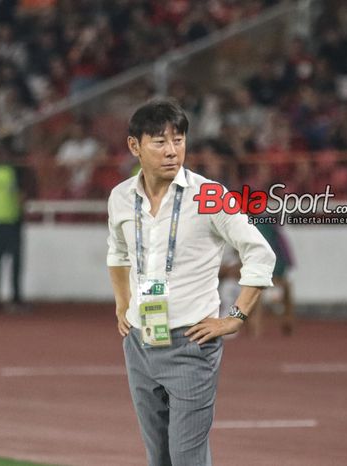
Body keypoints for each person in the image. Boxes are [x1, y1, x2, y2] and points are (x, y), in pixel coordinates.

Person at [107, 99, 276, 466]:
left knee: (187, 457)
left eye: (178, 140)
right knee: (159, 457)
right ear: (134, 146)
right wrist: (123, 303)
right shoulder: (120, 197)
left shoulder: (209, 196)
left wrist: (235, 318)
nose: (172, 151)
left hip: (191, 343)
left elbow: (261, 254)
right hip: (139, 341)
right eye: (160, 141)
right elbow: (117, 253)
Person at [0, 139, 34, 313]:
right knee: (16, 261)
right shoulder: (13, 172)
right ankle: (15, 299)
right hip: (13, 218)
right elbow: (21, 195)